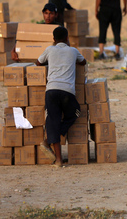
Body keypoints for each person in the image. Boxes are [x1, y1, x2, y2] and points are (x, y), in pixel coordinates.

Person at [36, 26, 87, 167]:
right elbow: (84, 62)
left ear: (53, 39)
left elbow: (38, 63)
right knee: (76, 112)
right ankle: (56, 134)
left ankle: (58, 159)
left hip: (51, 91)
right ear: (67, 38)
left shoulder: (49, 49)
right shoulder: (73, 51)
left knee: (53, 121)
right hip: (67, 92)